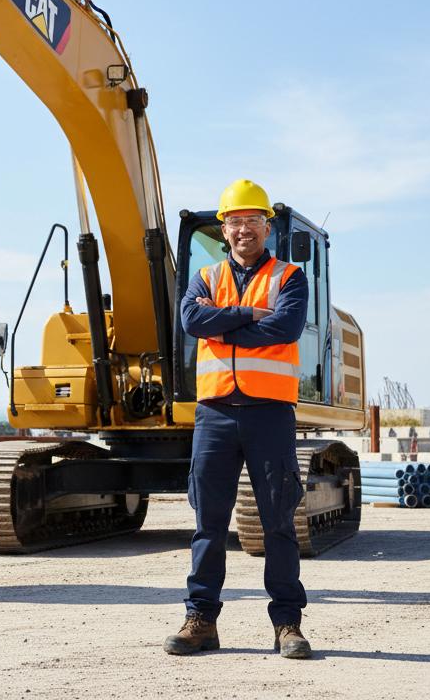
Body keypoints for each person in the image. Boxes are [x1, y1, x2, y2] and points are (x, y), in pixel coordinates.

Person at [164, 179, 311, 659]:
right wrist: (251, 316)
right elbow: (191, 322)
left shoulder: (290, 276)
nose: (244, 228)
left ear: (267, 227)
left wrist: (224, 322)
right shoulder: (203, 277)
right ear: (223, 229)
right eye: (235, 221)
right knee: (209, 522)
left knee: (278, 523)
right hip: (215, 414)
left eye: (253, 220)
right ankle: (200, 620)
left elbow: (285, 327)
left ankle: (287, 624)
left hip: (270, 413)